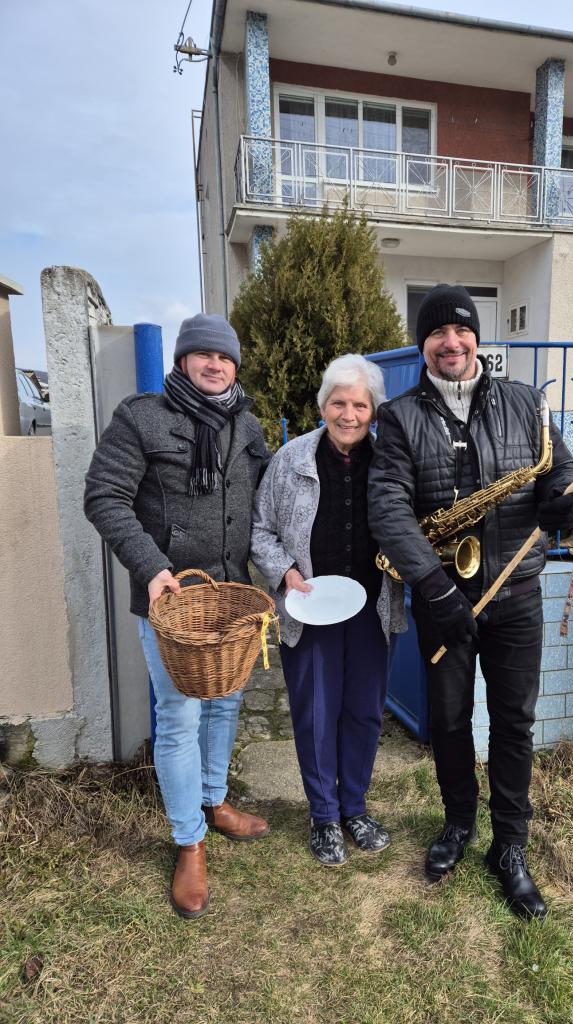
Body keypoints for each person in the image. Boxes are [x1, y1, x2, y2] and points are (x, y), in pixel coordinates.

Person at [367, 285, 573, 919]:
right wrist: (434, 586)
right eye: (437, 332)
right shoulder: (399, 417)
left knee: (514, 723)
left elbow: (561, 468)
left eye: (461, 331)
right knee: (449, 720)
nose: (451, 342)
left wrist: (563, 500)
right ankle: (458, 823)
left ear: (477, 340)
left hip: (516, 595)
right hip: (445, 597)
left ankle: (510, 847)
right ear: (423, 344)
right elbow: (388, 506)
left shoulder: (526, 402)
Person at [84, 313, 271, 919]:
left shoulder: (247, 424)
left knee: (226, 703)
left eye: (225, 357)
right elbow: (104, 495)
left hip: (231, 599)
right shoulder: (141, 418)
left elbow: (268, 494)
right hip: (170, 601)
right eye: (204, 355)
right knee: (179, 717)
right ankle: (189, 841)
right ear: (184, 361)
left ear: (235, 366)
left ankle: (215, 801)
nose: (215, 365)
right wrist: (150, 566)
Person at [250, 354, 406, 867]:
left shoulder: (391, 461)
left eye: (360, 405)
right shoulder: (290, 460)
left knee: (363, 710)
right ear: (323, 406)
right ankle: (323, 816)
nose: (349, 414)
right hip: (310, 608)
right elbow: (260, 530)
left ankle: (354, 808)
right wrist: (285, 573)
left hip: (371, 608)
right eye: (339, 403)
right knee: (316, 712)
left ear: (373, 411)